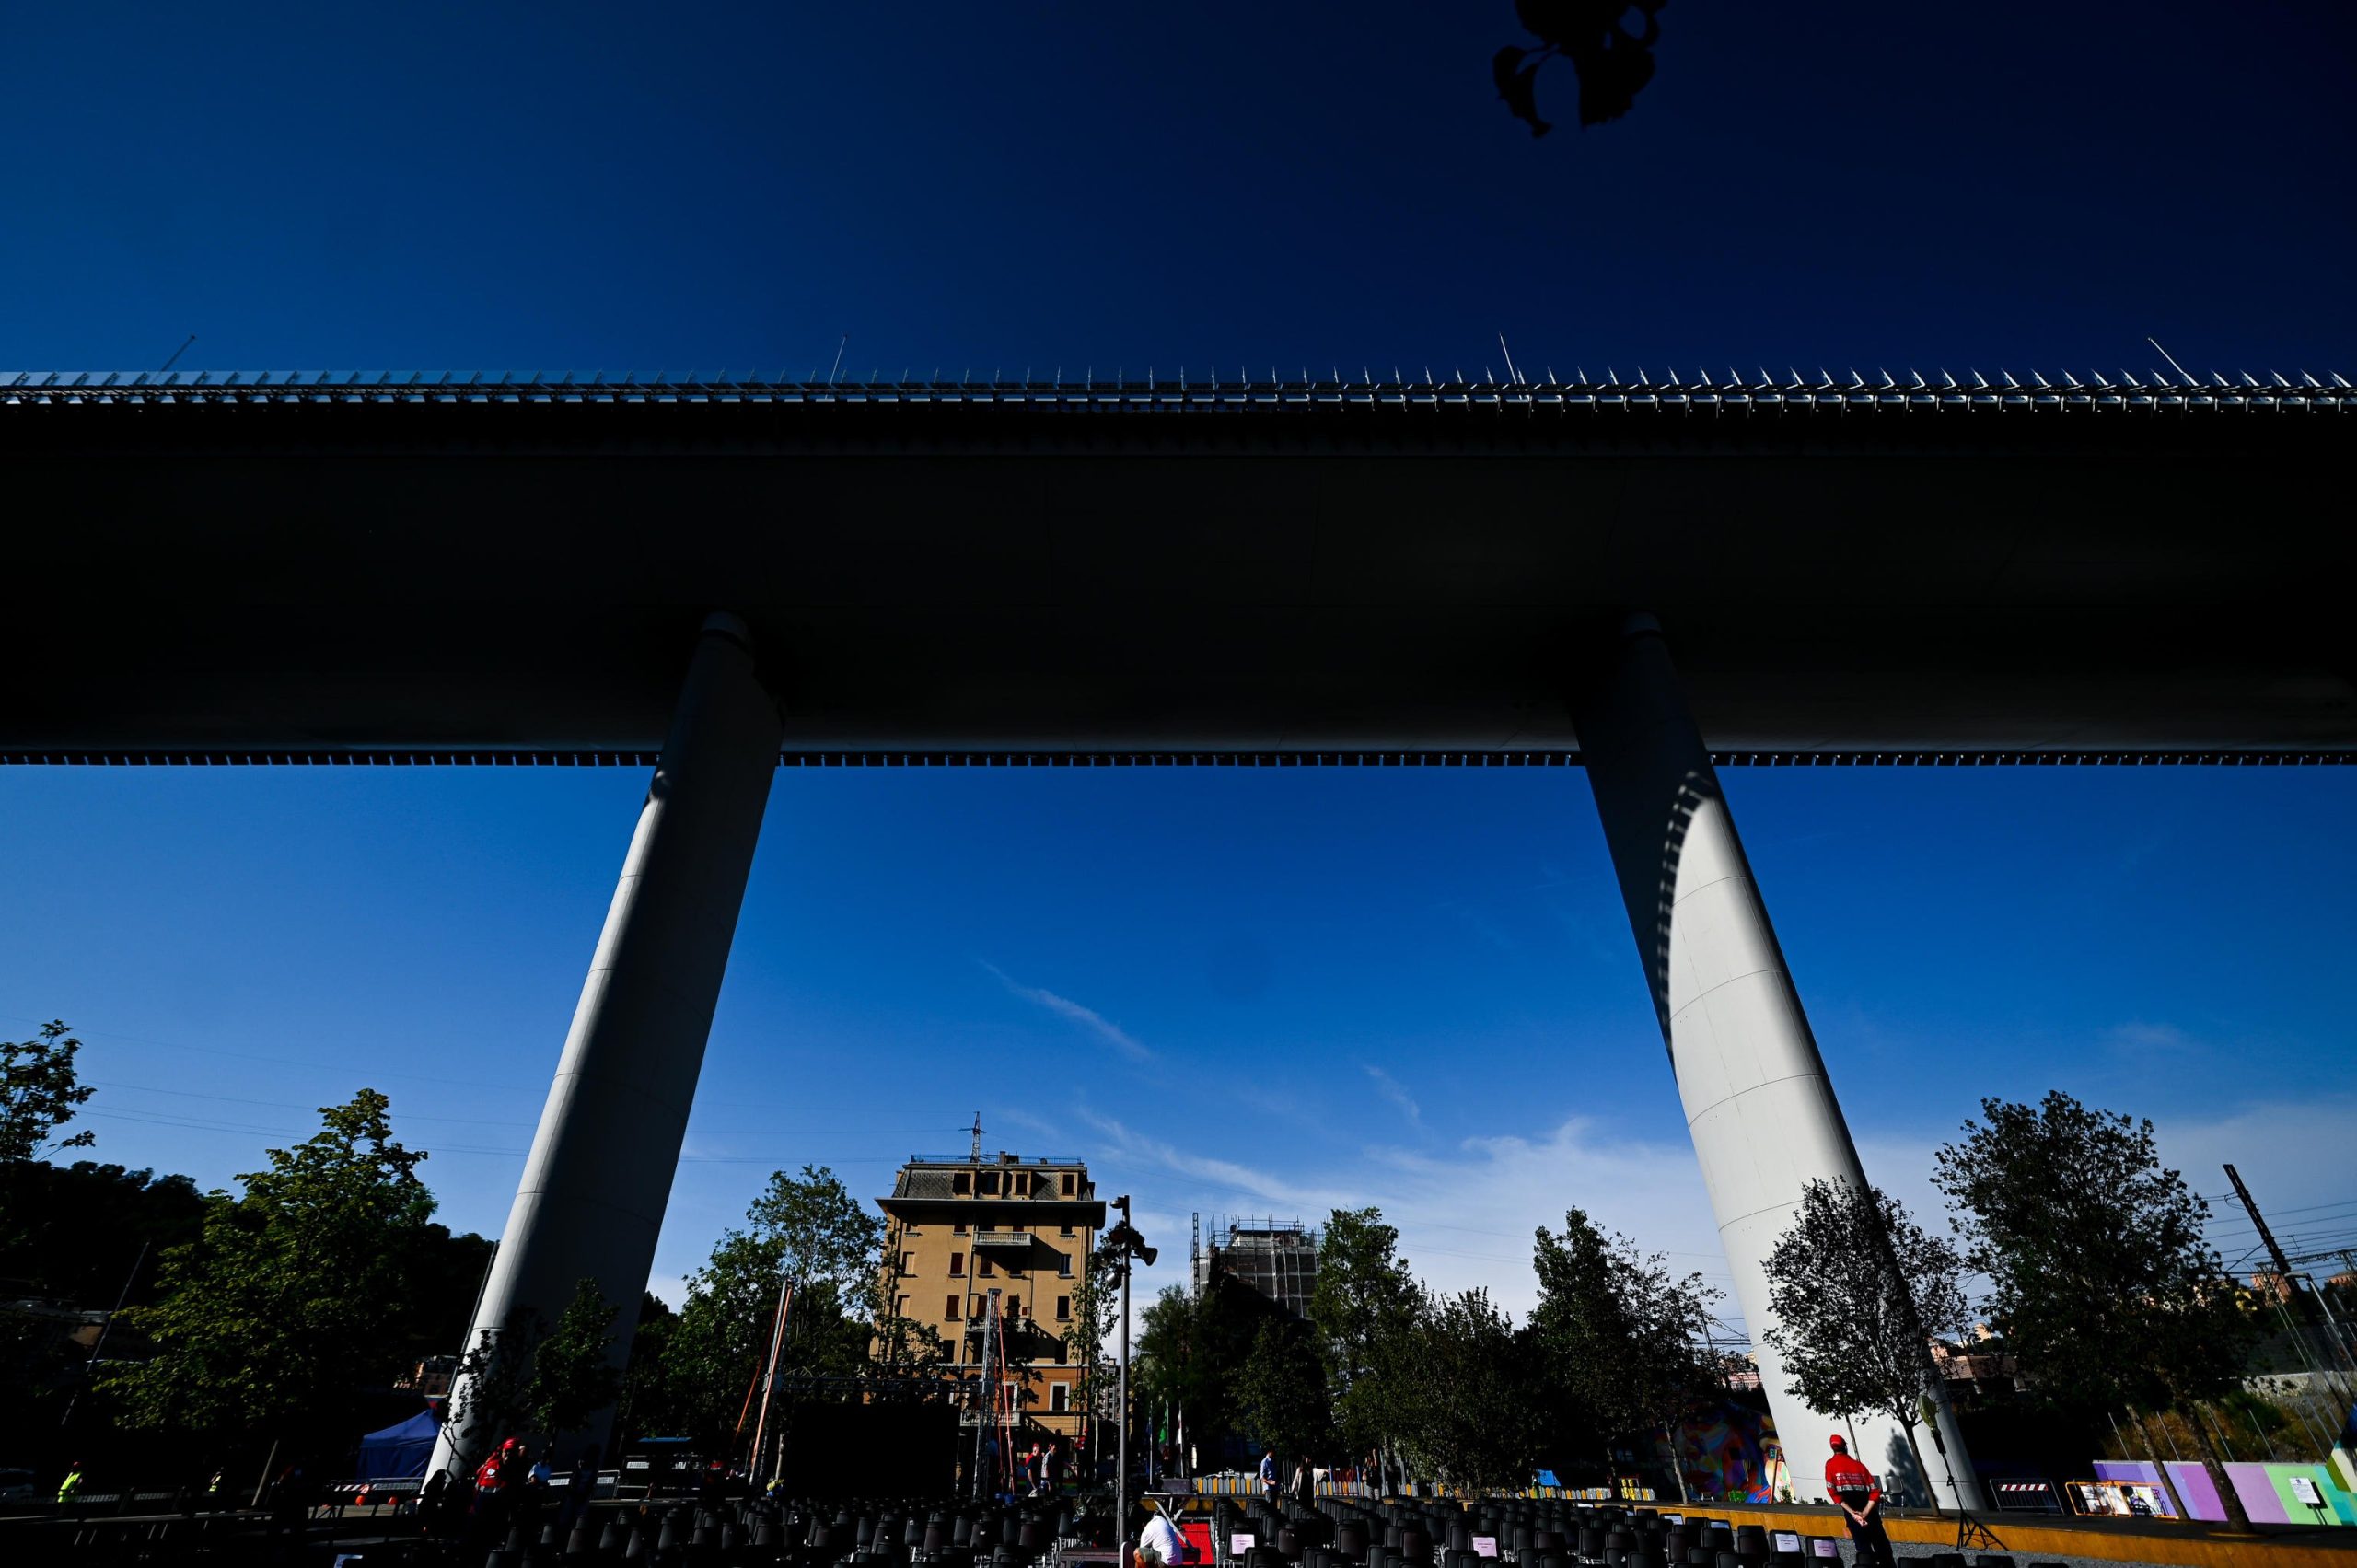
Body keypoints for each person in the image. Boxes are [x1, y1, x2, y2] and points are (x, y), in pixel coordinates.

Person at [1824, 1435, 1893, 1568]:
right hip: (1870, 1514)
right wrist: (1865, 1512)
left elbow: (1833, 1493)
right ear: (1845, 1446)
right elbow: (1875, 1491)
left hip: (1853, 1516)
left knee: (1864, 1551)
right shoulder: (1859, 1465)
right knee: (1883, 1550)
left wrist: (1853, 1514)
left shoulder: (1830, 1465)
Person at [1137, 1494, 1186, 1568]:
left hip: (1168, 1561)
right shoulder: (1163, 1521)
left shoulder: (1148, 1529)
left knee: (1137, 1553)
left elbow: (1142, 1551)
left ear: (1143, 1525)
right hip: (1179, 1560)